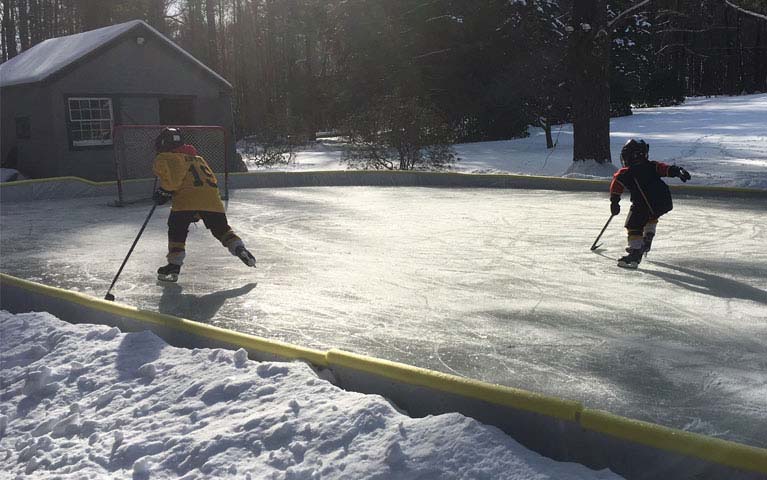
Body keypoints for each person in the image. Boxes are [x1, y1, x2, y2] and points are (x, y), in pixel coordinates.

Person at [152, 127, 256, 282]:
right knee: (222, 230)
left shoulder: (167, 157)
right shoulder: (198, 159)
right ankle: (239, 248)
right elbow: (212, 180)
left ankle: (174, 264)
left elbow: (173, 182)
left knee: (176, 229)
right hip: (212, 200)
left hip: (186, 201)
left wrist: (163, 192)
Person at [609, 139, 691, 269]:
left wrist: (614, 201)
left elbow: (616, 185)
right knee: (650, 216)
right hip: (663, 201)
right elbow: (665, 169)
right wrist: (678, 171)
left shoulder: (625, 172)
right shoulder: (652, 166)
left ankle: (635, 253)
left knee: (633, 224)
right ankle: (648, 237)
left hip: (643, 203)